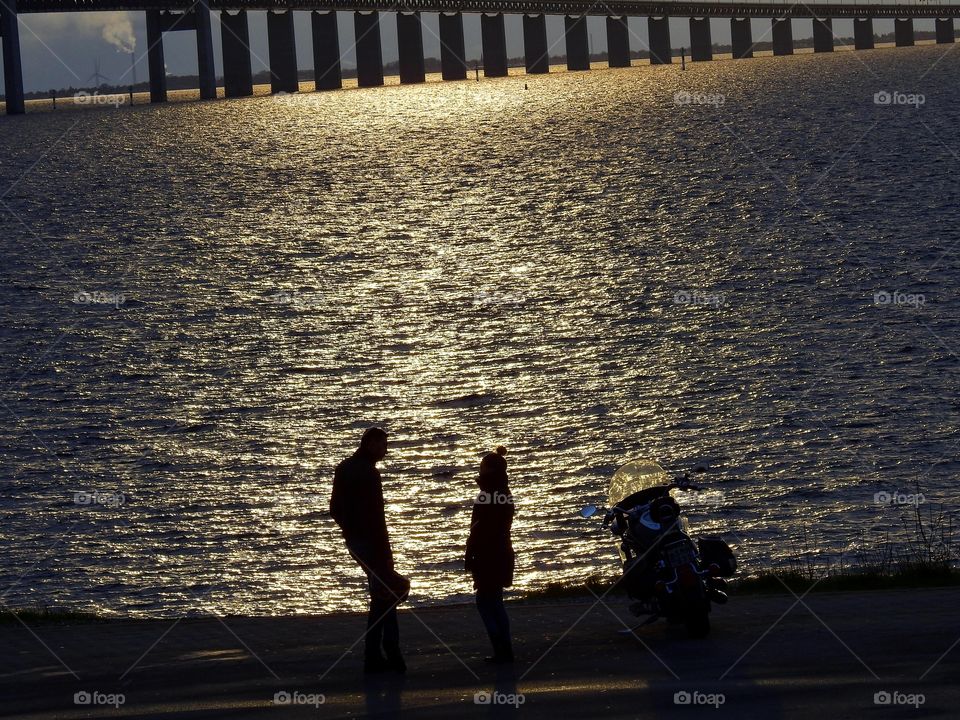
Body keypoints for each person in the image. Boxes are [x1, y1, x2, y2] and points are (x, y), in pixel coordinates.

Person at [330, 427, 409, 674]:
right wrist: (383, 551)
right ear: (371, 444)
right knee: (386, 595)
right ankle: (381, 653)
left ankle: (381, 654)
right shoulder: (370, 474)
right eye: (383, 445)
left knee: (383, 594)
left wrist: (349, 530)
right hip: (372, 543)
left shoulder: (344, 468)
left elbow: (335, 509)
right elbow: (377, 518)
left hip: (356, 541)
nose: (385, 451)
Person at [464, 446, 515, 663]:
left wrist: (471, 552)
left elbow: (478, 529)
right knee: (494, 601)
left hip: (488, 555)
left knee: (486, 602)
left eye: (482, 468)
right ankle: (504, 648)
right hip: (502, 552)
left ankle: (501, 648)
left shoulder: (487, 496)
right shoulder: (504, 494)